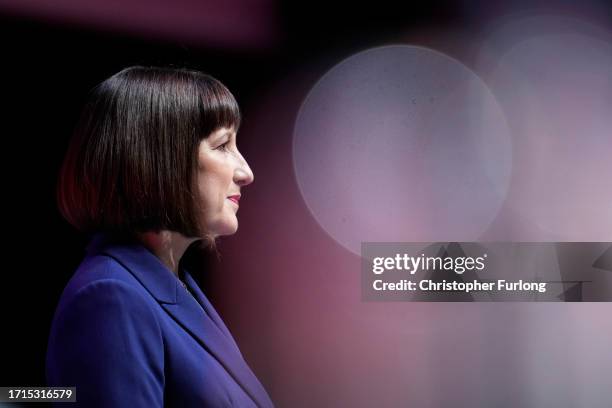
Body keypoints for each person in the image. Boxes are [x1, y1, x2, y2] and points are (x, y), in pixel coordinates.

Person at [46, 66, 275, 407]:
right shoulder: (112, 298)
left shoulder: (169, 286)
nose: (246, 172)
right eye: (223, 144)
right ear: (158, 158)